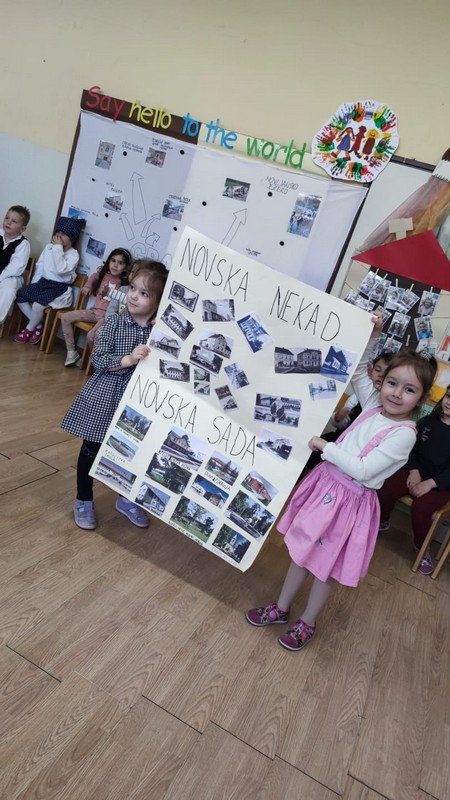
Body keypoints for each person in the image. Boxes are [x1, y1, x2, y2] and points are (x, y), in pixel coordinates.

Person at [245, 315, 436, 652]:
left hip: (350, 503)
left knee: (325, 567)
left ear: (420, 399)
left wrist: (326, 446)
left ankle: (307, 622)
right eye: (392, 383)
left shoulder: (404, 433)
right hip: (326, 488)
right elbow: (359, 368)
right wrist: (372, 336)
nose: (396, 393)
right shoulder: (374, 404)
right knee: (301, 554)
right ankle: (281, 607)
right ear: (382, 382)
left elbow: (363, 470)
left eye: (409, 390)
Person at [61, 259, 168, 531]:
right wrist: (128, 359)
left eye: (144, 293)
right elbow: (98, 359)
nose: (133, 295)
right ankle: (83, 499)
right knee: (92, 449)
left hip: (138, 402)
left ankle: (126, 498)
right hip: (106, 395)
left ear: (159, 302)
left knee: (131, 452)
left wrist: (163, 335)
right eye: (132, 288)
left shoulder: (158, 333)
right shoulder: (114, 323)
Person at [377, 385, 450, 574]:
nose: (449, 402)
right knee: (384, 488)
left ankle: (421, 548)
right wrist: (414, 471)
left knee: (421, 509)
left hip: (440, 485)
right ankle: (382, 521)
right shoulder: (427, 421)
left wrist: (430, 483)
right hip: (414, 471)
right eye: (449, 396)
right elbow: (410, 447)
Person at [14, 216, 84, 345]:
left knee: (37, 305)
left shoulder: (73, 255)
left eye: (64, 234)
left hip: (58, 288)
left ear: (72, 237)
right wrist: (34, 284)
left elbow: (61, 269)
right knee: (20, 296)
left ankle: (29, 328)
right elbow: (40, 267)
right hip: (43, 283)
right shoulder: (49, 248)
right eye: (58, 232)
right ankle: (37, 325)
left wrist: (58, 248)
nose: (59, 236)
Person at [61, 247, 132, 367]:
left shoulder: (124, 285)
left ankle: (93, 362)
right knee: (65, 317)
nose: (115, 265)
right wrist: (87, 286)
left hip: (105, 318)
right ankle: (71, 352)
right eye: (113, 261)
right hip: (93, 312)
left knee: (91, 336)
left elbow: (121, 307)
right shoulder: (102, 274)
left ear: (125, 267)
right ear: (108, 261)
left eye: (120, 263)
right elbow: (93, 277)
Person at [0, 206, 31, 325]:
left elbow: (15, 268)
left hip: (11, 277)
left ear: (23, 229)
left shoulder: (23, 244)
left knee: (8, 289)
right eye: (7, 218)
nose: (8, 222)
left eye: (14, 221)